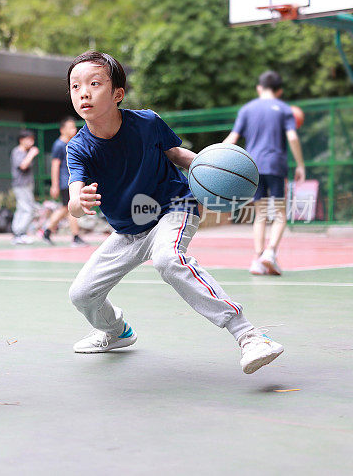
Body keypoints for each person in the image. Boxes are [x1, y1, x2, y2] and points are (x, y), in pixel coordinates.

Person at [65, 50, 284, 374]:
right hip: (128, 231)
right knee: (81, 294)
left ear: (117, 94)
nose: (83, 92)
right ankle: (115, 331)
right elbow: (73, 197)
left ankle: (250, 335)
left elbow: (177, 154)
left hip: (174, 208)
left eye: (94, 83)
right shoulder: (78, 148)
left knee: (168, 259)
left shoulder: (147, 123)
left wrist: (218, 171)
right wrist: (78, 202)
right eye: (75, 86)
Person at [223, 70, 306, 276]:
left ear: (259, 88)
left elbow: (232, 138)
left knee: (260, 214)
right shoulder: (285, 109)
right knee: (279, 214)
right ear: (279, 91)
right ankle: (270, 253)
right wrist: (300, 164)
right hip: (275, 166)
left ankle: (257, 259)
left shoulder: (247, 109)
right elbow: (293, 138)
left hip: (251, 168)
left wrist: (217, 160)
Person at [43, 117, 86, 246]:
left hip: (69, 181)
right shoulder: (59, 145)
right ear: (62, 130)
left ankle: (47, 231)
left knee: (65, 209)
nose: (74, 129)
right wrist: (54, 185)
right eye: (71, 127)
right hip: (64, 182)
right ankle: (75, 237)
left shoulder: (70, 143)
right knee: (70, 207)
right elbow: (55, 165)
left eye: (74, 126)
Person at [10, 129, 39, 244]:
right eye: (29, 139)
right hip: (21, 184)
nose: (31, 142)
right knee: (28, 209)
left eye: (32, 139)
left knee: (22, 208)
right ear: (22, 140)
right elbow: (23, 165)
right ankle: (20, 233)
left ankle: (18, 233)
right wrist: (32, 154)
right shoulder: (18, 151)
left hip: (25, 184)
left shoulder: (23, 152)